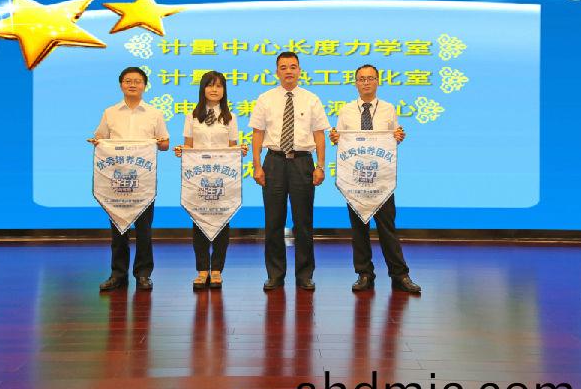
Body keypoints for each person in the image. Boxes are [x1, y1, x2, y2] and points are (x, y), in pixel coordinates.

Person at [329, 64, 421, 294]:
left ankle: (400, 275)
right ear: (356, 83)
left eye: (370, 78)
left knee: (387, 228)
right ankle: (364, 274)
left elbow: (393, 139)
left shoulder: (388, 109)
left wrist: (398, 136)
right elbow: (340, 140)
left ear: (377, 81)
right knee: (359, 228)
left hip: (382, 180)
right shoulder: (346, 111)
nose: (366, 82)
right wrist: (335, 137)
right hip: (355, 180)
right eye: (362, 79)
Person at [250, 52, 331, 291]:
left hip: (302, 162)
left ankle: (304, 275)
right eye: (283, 67)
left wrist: (320, 166)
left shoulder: (311, 99)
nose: (288, 71)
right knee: (273, 221)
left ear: (299, 70)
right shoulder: (265, 99)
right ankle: (275, 274)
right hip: (273, 162)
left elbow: (319, 135)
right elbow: (257, 134)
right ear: (277, 71)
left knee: (303, 221)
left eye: (293, 67)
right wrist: (257, 166)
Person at [90, 67, 170, 292]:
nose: (132, 84)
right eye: (128, 81)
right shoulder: (110, 112)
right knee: (118, 231)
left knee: (144, 231)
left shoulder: (154, 113)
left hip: (143, 183)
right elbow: (100, 137)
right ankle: (118, 274)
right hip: (116, 183)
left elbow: (165, 144)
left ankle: (143, 274)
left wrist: (158, 143)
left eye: (137, 81)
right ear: (121, 85)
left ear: (144, 85)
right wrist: (98, 143)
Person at [174, 71, 248, 290]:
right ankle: (201, 270)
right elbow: (189, 145)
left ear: (224, 90)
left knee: (222, 221)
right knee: (198, 222)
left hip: (222, 178)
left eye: (219, 86)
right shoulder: (192, 116)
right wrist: (182, 150)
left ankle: (216, 270)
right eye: (210, 85)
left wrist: (240, 150)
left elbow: (232, 146)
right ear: (203, 89)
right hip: (198, 177)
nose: (214, 90)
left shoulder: (230, 117)